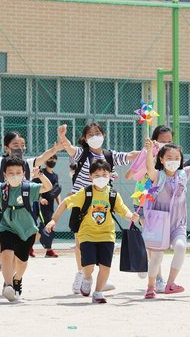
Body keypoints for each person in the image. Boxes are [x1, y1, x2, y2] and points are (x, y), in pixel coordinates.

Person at [0, 126, 65, 283]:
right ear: (6, 147)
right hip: (2, 209)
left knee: (16, 251)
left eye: (22, 145)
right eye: (15, 145)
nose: (19, 148)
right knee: (4, 243)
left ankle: (9, 278)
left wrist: (56, 149)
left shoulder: (27, 164)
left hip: (23, 211)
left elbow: (43, 157)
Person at [58, 122, 139, 294]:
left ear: (103, 135)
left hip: (102, 204)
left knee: (104, 242)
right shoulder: (82, 154)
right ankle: (81, 274)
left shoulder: (110, 155)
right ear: (85, 139)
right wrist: (63, 135)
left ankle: (99, 280)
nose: (94, 137)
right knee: (81, 241)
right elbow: (68, 147)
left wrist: (149, 151)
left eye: (97, 133)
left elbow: (130, 155)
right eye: (90, 134)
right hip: (83, 203)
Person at [46, 159, 139, 304]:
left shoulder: (113, 195)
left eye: (104, 174)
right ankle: (87, 278)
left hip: (107, 235)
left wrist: (131, 216)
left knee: (105, 266)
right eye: (97, 175)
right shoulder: (85, 193)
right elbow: (65, 202)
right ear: (90, 177)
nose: (101, 178)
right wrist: (54, 220)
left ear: (110, 175)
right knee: (88, 266)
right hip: (87, 234)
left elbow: (123, 210)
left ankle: (98, 292)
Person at [143, 131, 190, 299]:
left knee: (180, 247)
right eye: (169, 158)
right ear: (161, 160)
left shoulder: (184, 174)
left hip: (178, 223)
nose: (173, 161)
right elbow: (149, 168)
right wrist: (149, 151)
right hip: (159, 224)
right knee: (156, 258)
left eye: (176, 158)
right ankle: (150, 287)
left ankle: (170, 284)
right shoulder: (158, 176)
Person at [0, 156, 52, 302]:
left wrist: (41, 175)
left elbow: (48, 187)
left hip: (27, 229)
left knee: (22, 262)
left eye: (18, 172)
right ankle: (8, 286)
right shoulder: (0, 188)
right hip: (7, 227)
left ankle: (17, 279)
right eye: (11, 173)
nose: (15, 175)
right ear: (4, 175)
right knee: (6, 254)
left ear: (24, 173)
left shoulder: (29, 188)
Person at [126, 125, 173, 291]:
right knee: (153, 241)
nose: (165, 144)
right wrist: (146, 155)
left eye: (169, 141)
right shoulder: (146, 153)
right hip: (143, 201)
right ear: (154, 141)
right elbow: (129, 175)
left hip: (160, 203)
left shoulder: (171, 157)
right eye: (162, 141)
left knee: (156, 242)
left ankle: (149, 267)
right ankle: (158, 277)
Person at [32, 154, 61, 258]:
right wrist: (40, 199)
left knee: (43, 228)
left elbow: (56, 191)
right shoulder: (41, 174)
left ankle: (28, 248)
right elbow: (34, 188)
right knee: (48, 226)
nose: (52, 160)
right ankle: (49, 250)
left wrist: (60, 204)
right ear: (45, 161)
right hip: (40, 205)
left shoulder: (55, 175)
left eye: (53, 159)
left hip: (50, 205)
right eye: (50, 158)